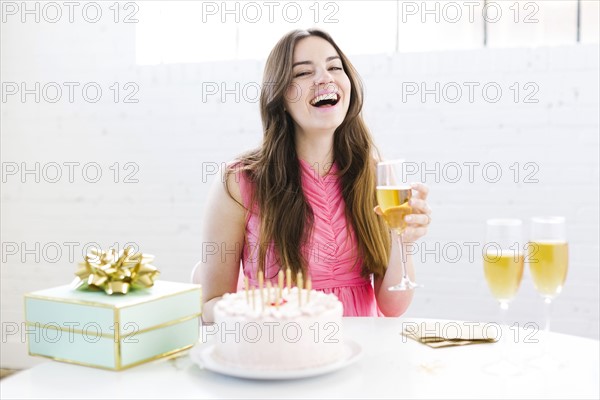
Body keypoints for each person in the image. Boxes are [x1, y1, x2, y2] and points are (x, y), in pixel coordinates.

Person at [193, 28, 431, 322]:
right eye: (303, 73)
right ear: (279, 96)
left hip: (358, 354)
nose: (325, 78)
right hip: (279, 353)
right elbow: (209, 305)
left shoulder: (374, 175)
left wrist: (402, 242)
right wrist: (263, 311)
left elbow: (392, 306)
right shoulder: (239, 181)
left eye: (334, 67)